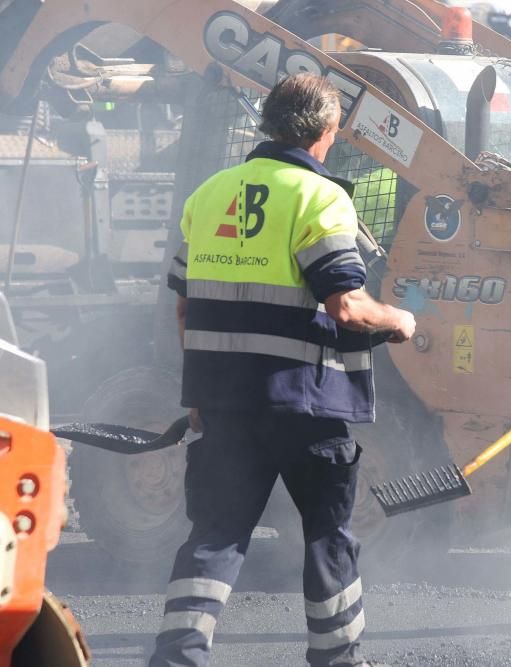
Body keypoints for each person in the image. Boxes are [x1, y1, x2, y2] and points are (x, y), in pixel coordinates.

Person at [153, 73, 415, 667]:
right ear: (328, 132)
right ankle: (337, 657)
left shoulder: (211, 193)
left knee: (215, 535)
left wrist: (198, 392)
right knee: (327, 537)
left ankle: (176, 659)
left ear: (268, 124)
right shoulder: (321, 197)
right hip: (305, 402)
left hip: (224, 401)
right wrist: (399, 319)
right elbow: (345, 304)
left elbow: (185, 305)